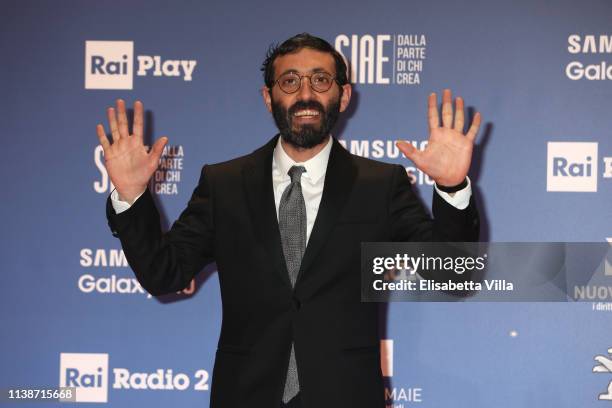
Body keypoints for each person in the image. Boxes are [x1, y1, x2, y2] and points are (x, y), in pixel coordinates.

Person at [97, 33, 481, 408]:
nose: (306, 94)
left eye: (321, 79)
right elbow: (165, 273)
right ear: (269, 98)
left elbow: (452, 274)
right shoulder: (224, 184)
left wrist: (450, 187)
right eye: (289, 81)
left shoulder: (380, 185)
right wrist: (131, 198)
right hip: (245, 394)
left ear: (343, 95)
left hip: (346, 395)